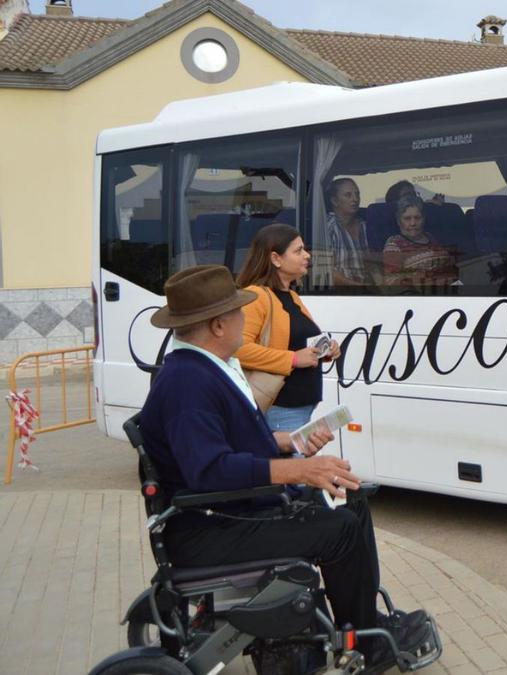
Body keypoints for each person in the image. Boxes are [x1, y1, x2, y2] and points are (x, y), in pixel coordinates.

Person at [138, 264, 430, 667]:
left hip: (222, 514)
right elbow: (210, 470)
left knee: (350, 499)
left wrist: (292, 441)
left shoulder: (202, 369)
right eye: (240, 312)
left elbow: (230, 443)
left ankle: (362, 622)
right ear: (218, 326)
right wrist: (300, 470)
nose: (246, 320)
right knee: (339, 530)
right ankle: (365, 643)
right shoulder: (189, 382)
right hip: (208, 527)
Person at [236, 223, 341, 432]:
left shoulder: (291, 296)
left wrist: (324, 351)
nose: (307, 255)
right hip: (280, 407)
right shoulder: (256, 296)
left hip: (299, 406)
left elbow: (298, 343)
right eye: (298, 250)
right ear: (275, 259)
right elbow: (238, 349)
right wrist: (293, 359)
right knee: (290, 464)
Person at [382, 195, 458, 289]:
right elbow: (392, 283)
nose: (413, 223)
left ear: (424, 219)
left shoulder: (431, 237)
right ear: (398, 221)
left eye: (417, 218)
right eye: (407, 218)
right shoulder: (394, 244)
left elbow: (449, 270)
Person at [325, 177, 373, 286]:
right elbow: (326, 271)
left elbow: (373, 264)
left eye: (357, 194)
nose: (355, 199)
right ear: (334, 201)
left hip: (368, 292)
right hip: (340, 294)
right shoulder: (329, 227)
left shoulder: (365, 226)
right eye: (348, 195)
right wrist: (358, 287)